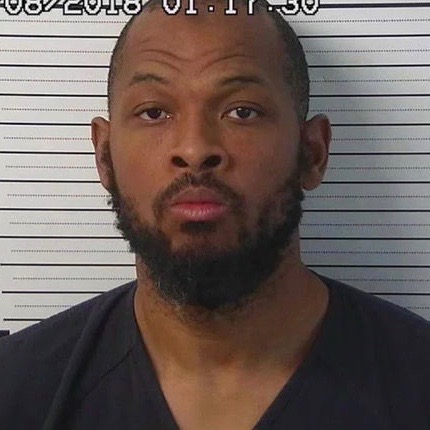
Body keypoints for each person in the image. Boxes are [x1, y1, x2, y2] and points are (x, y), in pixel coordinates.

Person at [1, 1, 430, 429]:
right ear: (104, 156)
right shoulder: (15, 390)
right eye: (154, 112)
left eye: (242, 111)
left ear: (312, 153)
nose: (194, 149)